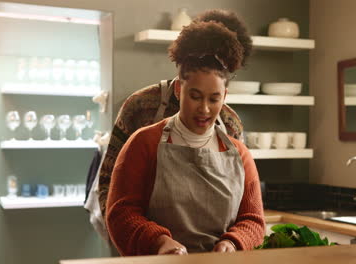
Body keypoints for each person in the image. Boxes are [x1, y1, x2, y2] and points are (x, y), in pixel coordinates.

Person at [105, 10, 265, 256]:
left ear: (225, 97)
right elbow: (121, 212)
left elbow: (253, 220)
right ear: (179, 89)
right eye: (195, 96)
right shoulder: (143, 143)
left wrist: (233, 242)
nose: (204, 109)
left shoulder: (239, 153)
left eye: (214, 99)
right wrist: (158, 241)